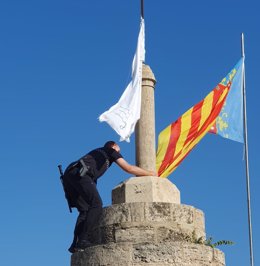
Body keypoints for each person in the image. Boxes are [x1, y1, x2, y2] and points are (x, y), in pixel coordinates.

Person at [62, 140, 156, 253]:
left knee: (85, 210)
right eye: (119, 150)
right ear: (114, 146)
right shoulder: (110, 150)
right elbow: (128, 168)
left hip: (71, 174)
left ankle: (75, 244)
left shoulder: (97, 155)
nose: (119, 152)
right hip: (81, 174)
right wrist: (151, 173)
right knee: (96, 205)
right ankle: (83, 240)